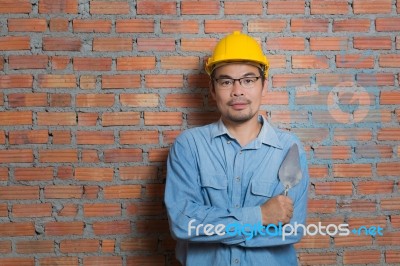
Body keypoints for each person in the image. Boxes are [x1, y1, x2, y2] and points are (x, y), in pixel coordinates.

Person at [164, 31, 309, 266]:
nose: (237, 91)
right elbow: (183, 224)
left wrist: (211, 229)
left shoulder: (288, 149)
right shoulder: (189, 146)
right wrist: (260, 216)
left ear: (264, 86)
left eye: (248, 80)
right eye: (226, 81)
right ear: (212, 89)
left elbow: (289, 231)